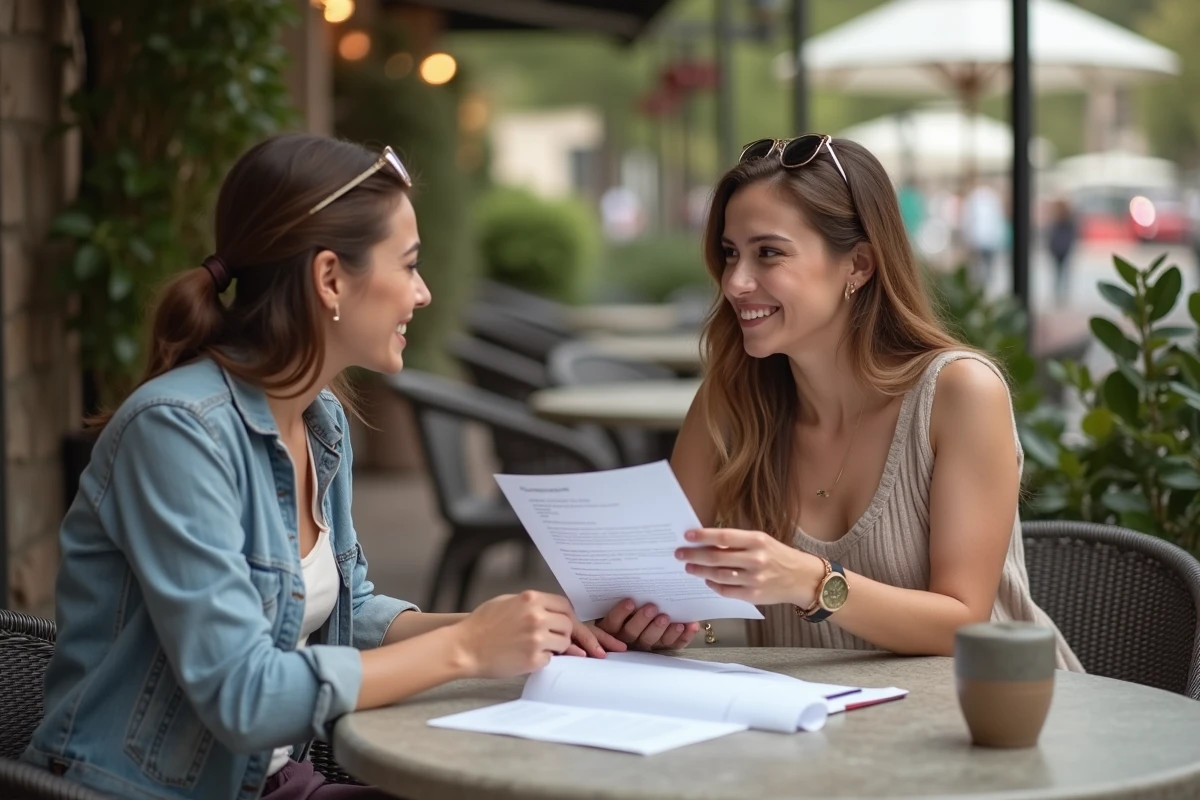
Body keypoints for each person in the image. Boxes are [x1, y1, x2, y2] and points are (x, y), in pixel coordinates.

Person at [21, 133, 625, 800]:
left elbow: (353, 606)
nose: (422, 294)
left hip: (270, 782)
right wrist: (467, 649)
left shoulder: (318, 420)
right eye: (410, 265)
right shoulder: (177, 433)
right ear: (330, 277)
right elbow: (242, 696)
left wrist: (520, 626)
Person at [597, 135, 1082, 669]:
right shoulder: (729, 404)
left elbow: (962, 622)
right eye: (731, 253)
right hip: (813, 731)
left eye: (769, 253)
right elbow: (668, 582)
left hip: (995, 720)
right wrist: (653, 622)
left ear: (859, 265)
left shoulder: (958, 394)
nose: (735, 282)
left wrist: (810, 581)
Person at [1047, 197, 1077, 307]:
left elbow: (1051, 234)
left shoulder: (1059, 218)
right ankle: (1061, 295)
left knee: (1058, 274)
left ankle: (1059, 295)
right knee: (1063, 273)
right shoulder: (1067, 218)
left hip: (1058, 249)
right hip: (1063, 249)